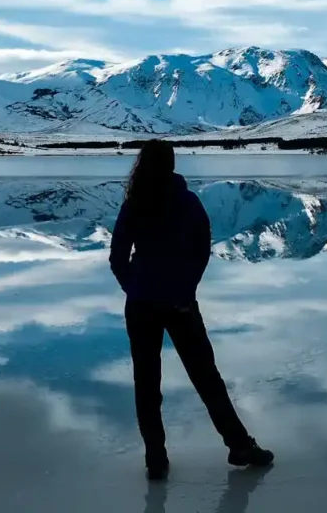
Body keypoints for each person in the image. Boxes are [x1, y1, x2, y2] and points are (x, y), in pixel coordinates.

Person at [110, 140, 274, 481]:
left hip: (141, 305)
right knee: (206, 378)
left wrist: (135, 287)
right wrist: (185, 287)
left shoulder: (134, 203)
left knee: (146, 382)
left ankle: (155, 457)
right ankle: (239, 445)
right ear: (171, 164)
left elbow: (117, 257)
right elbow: (202, 249)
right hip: (179, 303)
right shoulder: (187, 202)